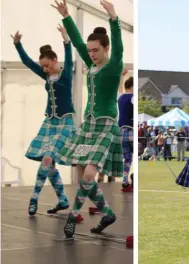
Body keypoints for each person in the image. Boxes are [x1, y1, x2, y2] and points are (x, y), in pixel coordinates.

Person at [52, 0, 124, 238]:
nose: (91, 54)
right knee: (83, 175)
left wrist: (113, 16)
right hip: (88, 124)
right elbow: (77, 42)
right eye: (90, 50)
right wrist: (66, 16)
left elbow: (119, 46)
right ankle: (107, 213)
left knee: (90, 175)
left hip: (105, 124)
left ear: (106, 49)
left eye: (96, 50)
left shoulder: (114, 66)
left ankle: (72, 217)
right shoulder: (90, 63)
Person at [11, 25, 82, 223]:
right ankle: (63, 200)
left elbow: (69, 56)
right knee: (49, 165)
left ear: (54, 60)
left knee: (47, 159)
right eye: (43, 66)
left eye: (47, 65)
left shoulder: (66, 73)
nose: (44, 69)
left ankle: (34, 198)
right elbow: (27, 62)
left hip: (65, 123)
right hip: (49, 123)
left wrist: (66, 39)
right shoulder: (46, 76)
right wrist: (17, 44)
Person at [118, 74, 134, 191]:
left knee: (127, 159)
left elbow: (119, 88)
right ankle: (135, 178)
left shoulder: (120, 97)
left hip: (121, 132)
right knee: (136, 157)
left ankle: (124, 180)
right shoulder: (133, 98)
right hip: (131, 131)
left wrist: (121, 77)